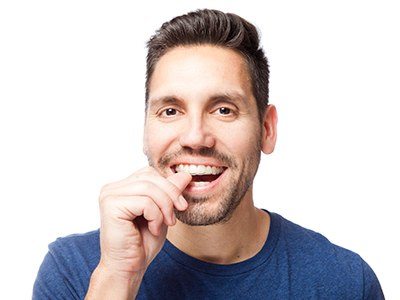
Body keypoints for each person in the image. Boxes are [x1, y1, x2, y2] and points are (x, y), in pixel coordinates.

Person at [33, 9, 384, 299]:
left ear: (266, 129)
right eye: (171, 111)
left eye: (223, 110)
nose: (195, 137)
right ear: (145, 128)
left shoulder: (346, 282)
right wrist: (117, 278)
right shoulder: (75, 272)